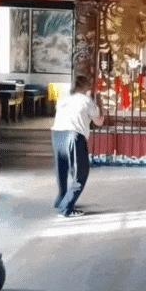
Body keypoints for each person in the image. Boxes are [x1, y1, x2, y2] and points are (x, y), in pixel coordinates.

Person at [51, 75, 104, 217]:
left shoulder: (63, 99)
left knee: (62, 170)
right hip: (74, 136)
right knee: (81, 173)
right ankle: (66, 208)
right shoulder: (86, 100)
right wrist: (98, 101)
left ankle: (61, 199)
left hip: (57, 135)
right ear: (86, 87)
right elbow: (99, 122)